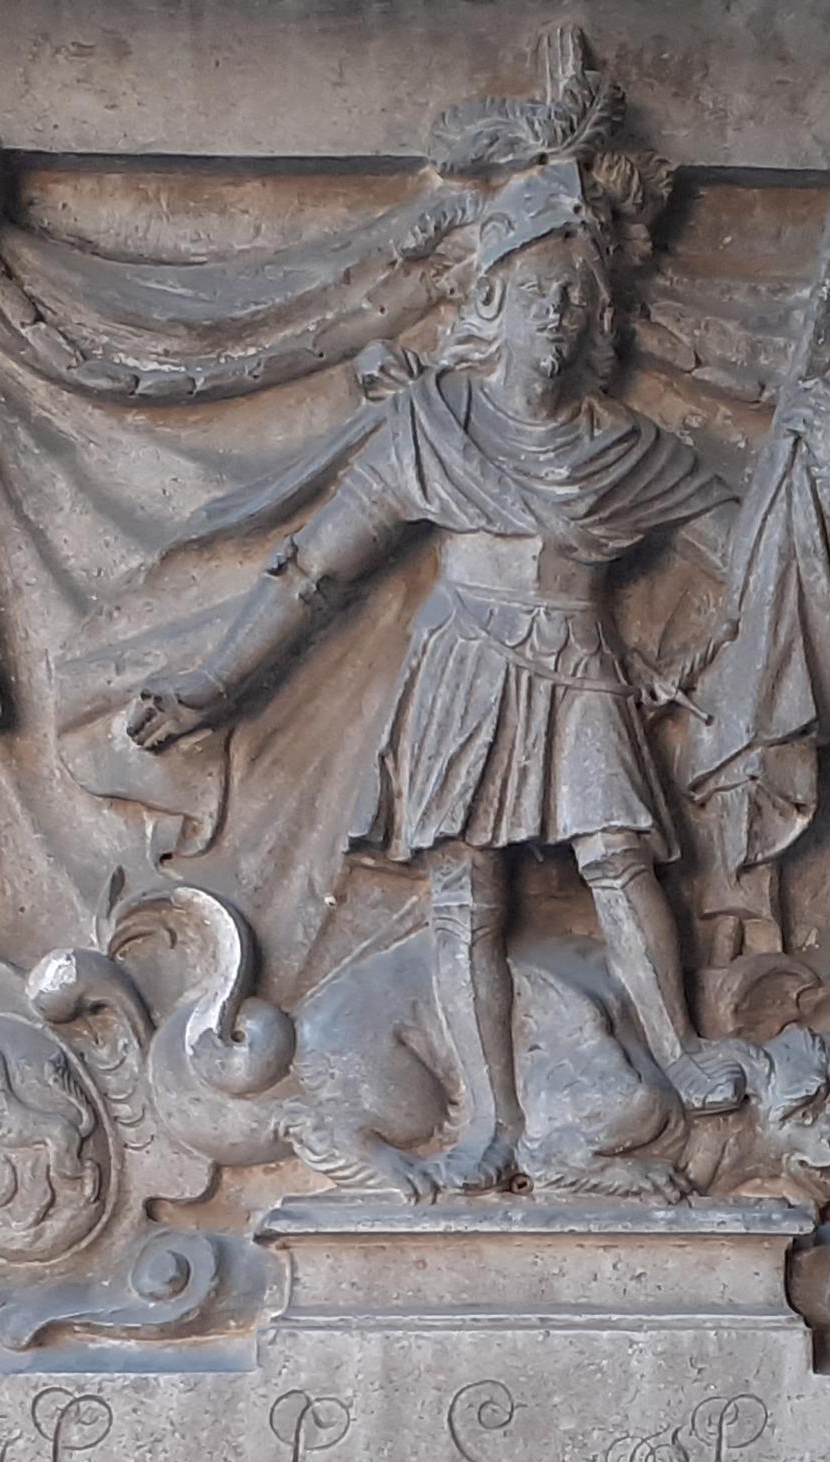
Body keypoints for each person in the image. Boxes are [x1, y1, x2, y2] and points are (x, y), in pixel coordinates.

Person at [124, 158, 750, 1193]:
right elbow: (316, 569)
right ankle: (491, 1121)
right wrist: (217, 682)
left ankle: (681, 1052)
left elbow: (754, 560)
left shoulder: (629, 451)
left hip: (577, 654)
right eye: (539, 294)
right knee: (465, 890)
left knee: (619, 856)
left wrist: (820, 492)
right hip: (465, 664)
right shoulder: (434, 431)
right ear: (491, 301)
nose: (558, 317)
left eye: (577, 299)